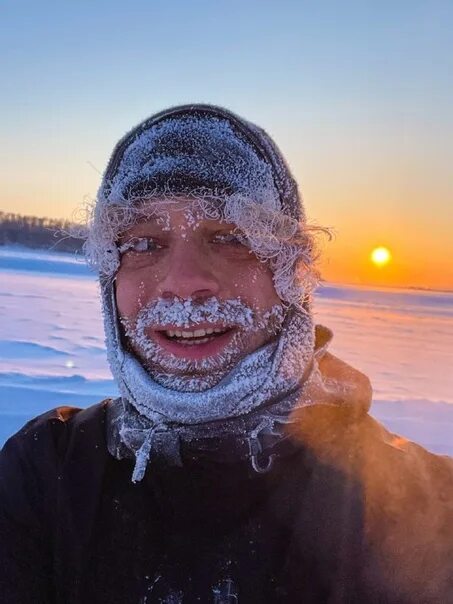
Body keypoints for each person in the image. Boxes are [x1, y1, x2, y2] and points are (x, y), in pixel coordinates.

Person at [0, 104, 452, 604]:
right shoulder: (43, 474)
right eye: (145, 242)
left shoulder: (422, 507)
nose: (184, 283)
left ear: (290, 274)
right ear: (110, 276)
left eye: (231, 237)